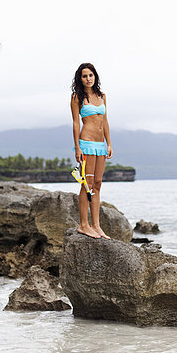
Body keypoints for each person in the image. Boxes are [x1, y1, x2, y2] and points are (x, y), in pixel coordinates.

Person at [70, 63, 113, 239]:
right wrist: (77, 147)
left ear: (95, 76)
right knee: (86, 185)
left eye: (90, 75)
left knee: (98, 183)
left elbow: (105, 121)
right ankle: (83, 225)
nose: (88, 79)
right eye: (84, 76)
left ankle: (96, 225)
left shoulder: (102, 96)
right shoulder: (77, 97)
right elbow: (75, 123)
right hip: (86, 143)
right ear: (80, 79)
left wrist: (109, 143)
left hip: (100, 145)